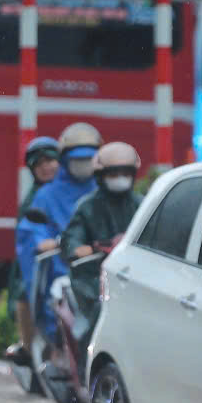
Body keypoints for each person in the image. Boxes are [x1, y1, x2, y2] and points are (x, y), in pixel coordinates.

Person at [14, 122, 103, 337]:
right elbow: (31, 232)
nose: (46, 167)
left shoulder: (104, 190)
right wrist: (47, 243)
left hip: (102, 268)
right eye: (77, 160)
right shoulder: (44, 195)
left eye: (87, 159)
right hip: (62, 269)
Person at [61, 142, 144, 347]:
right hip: (91, 278)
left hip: (135, 276)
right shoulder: (86, 207)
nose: (120, 178)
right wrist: (82, 249)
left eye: (125, 173)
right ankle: (86, 371)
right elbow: (72, 240)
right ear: (100, 176)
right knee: (101, 312)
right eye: (113, 174)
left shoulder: (143, 205)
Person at [4, 136, 61, 366]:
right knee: (24, 294)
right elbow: (28, 240)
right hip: (41, 260)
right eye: (39, 164)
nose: (46, 167)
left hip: (74, 258)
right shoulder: (32, 202)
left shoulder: (79, 192)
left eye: (50, 161)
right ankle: (28, 348)